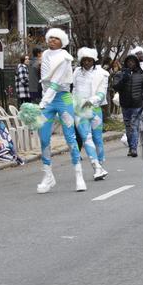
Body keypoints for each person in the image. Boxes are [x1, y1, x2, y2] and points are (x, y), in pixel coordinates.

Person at [36, 28, 85, 193]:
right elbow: (44, 80)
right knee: (43, 137)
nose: (52, 41)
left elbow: (56, 82)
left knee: (70, 137)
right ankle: (47, 175)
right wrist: (44, 99)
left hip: (62, 98)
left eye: (56, 38)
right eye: (50, 38)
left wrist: (45, 99)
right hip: (47, 100)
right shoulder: (45, 55)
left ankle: (79, 174)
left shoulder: (65, 57)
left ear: (62, 42)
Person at [73, 47, 109, 181]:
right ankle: (96, 167)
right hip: (80, 111)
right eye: (84, 60)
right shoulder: (76, 72)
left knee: (98, 139)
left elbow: (101, 93)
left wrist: (90, 101)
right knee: (86, 137)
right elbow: (74, 90)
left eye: (89, 60)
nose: (87, 62)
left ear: (94, 61)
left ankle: (100, 164)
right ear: (81, 61)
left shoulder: (102, 74)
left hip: (95, 110)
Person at [113, 54, 143, 157]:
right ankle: (131, 146)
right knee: (128, 127)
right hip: (125, 105)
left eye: (133, 61)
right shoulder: (120, 74)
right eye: (129, 61)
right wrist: (124, 78)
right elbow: (115, 87)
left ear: (136, 63)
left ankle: (134, 148)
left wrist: (142, 96)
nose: (130, 63)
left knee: (134, 126)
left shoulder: (142, 75)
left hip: (137, 105)